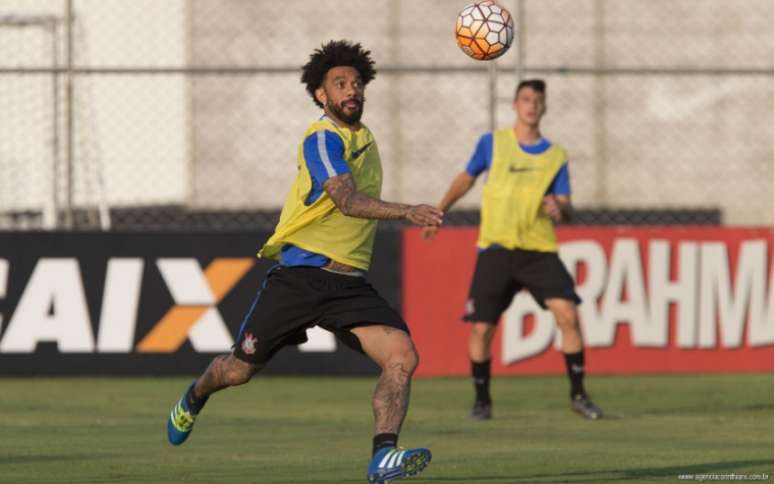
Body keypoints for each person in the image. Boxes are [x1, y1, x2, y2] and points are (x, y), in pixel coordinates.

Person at [166, 40, 442, 484]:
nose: (351, 89)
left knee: (402, 356)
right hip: (300, 279)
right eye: (339, 83)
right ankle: (194, 397)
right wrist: (408, 210)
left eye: (356, 82)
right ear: (320, 94)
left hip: (349, 285)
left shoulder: (364, 137)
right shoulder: (321, 138)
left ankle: (383, 457)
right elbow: (347, 201)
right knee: (236, 372)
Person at [422, 79, 603, 421]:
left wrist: (558, 210)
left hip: (538, 249)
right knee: (481, 329)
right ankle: (482, 400)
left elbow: (566, 208)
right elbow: (467, 178)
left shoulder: (555, 155)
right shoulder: (493, 143)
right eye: (525, 99)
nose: (531, 105)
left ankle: (579, 395)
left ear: (545, 107)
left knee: (568, 315)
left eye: (537, 100)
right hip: (497, 248)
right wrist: (439, 209)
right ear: (515, 105)